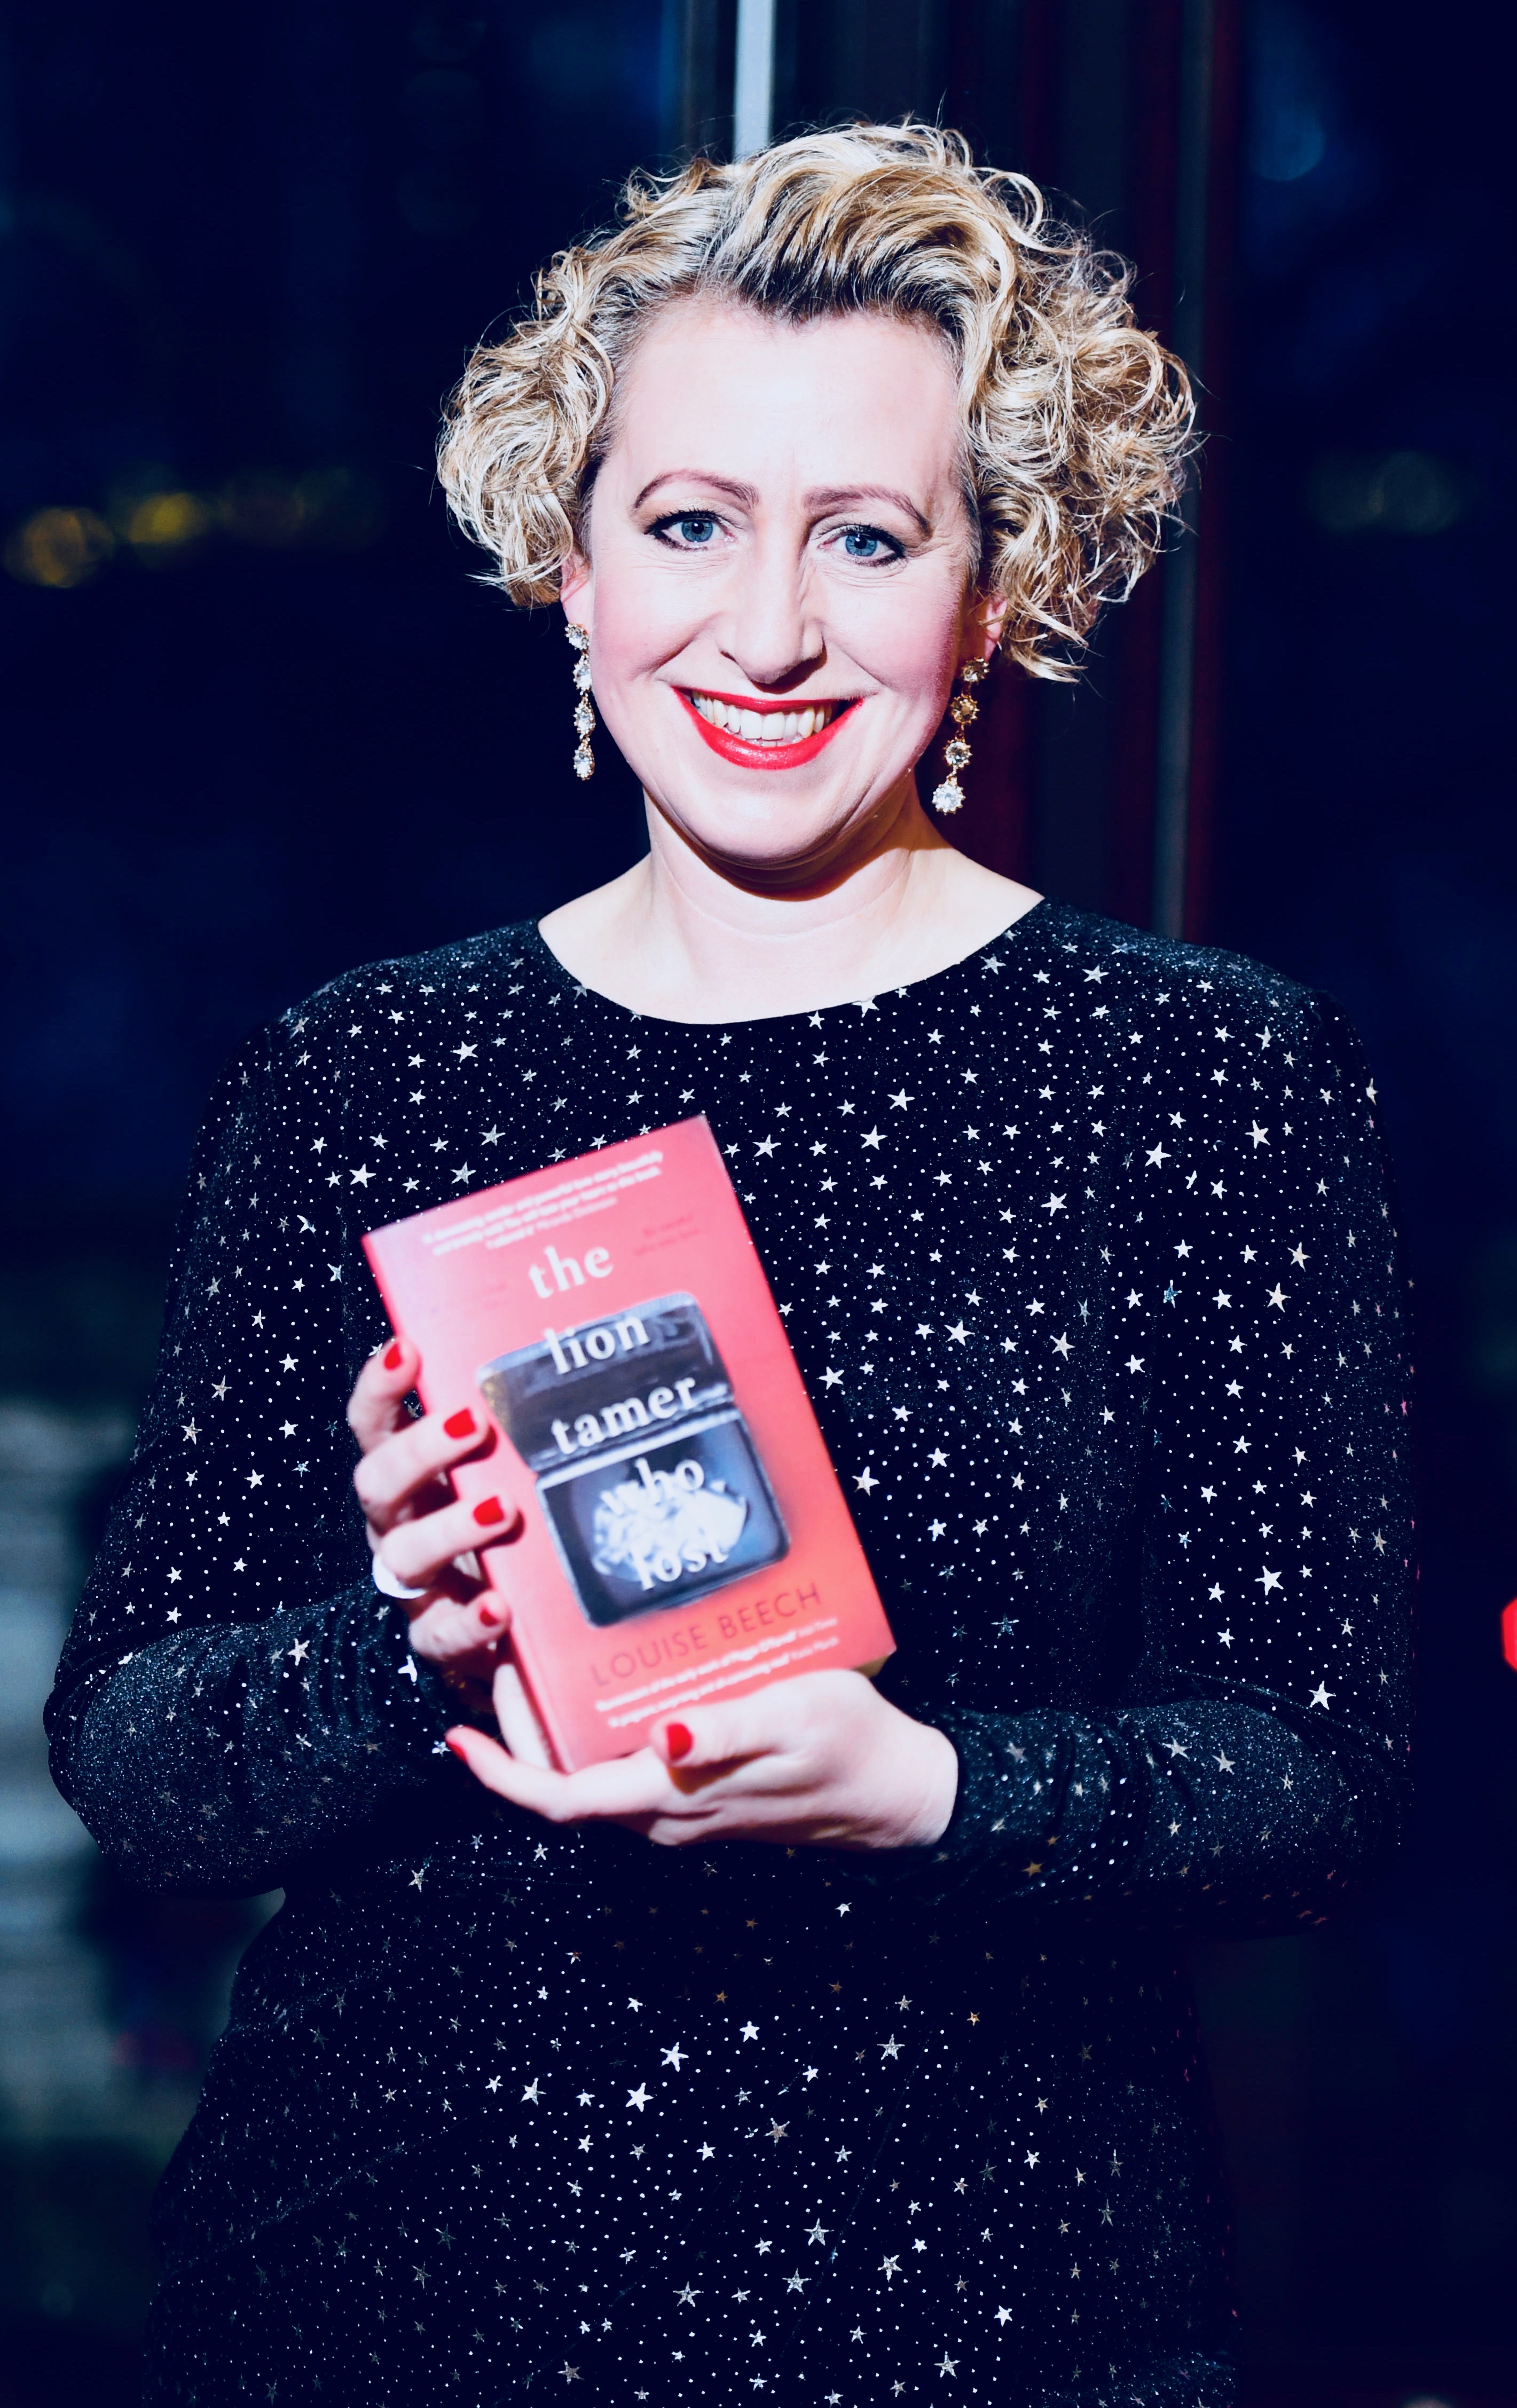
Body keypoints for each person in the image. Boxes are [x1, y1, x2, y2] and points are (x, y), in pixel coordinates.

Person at [48, 124, 1413, 2406]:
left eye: (866, 539)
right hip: (371, 2295)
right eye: (689, 523)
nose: (767, 630)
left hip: (988, 2310)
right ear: (567, 566)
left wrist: (927, 1788)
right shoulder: (367, 1073)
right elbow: (142, 1769)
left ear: (994, 594)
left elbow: (1325, 1785)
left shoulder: (1211, 1078)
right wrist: (415, 1640)